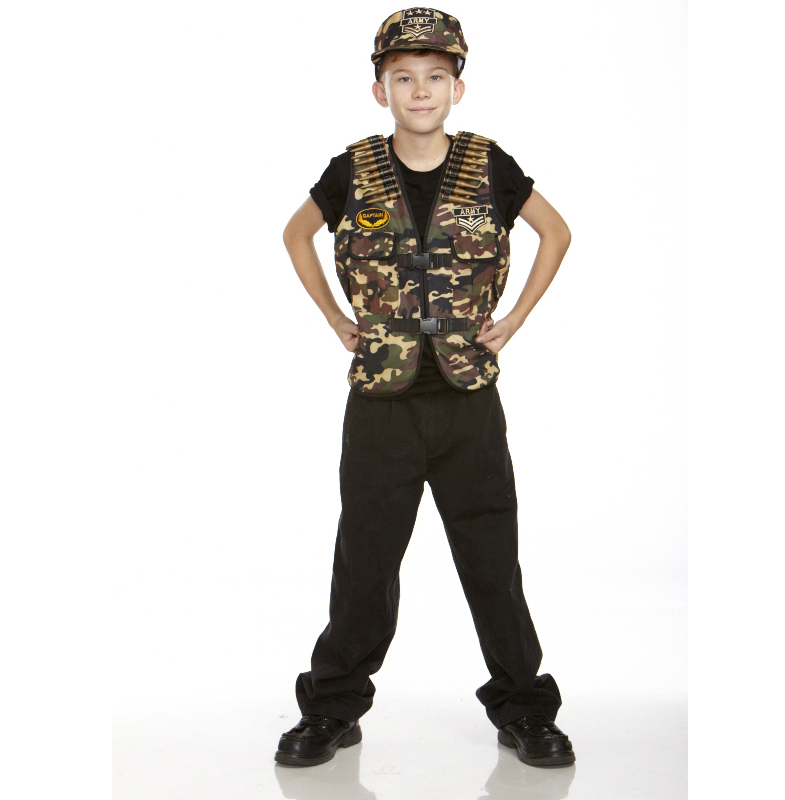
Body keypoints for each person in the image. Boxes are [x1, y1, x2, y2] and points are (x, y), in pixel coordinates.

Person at [276, 8, 574, 769]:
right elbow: (294, 233)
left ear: (457, 88)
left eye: (435, 76)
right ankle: (333, 708)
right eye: (403, 77)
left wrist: (516, 319)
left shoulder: (489, 165)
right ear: (380, 90)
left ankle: (524, 709)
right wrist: (334, 317)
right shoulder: (353, 169)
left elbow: (557, 232)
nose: (419, 90)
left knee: (491, 558)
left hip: (468, 400)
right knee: (365, 562)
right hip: (382, 404)